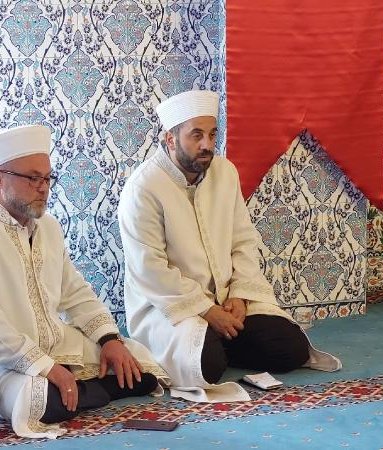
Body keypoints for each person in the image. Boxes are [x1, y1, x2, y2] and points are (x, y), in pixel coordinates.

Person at [0, 125, 168, 438]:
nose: (43, 188)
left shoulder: (47, 227)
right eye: (32, 178)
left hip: (54, 345)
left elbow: (75, 291)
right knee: (41, 400)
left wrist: (109, 339)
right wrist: (45, 367)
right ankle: (78, 389)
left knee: (140, 369)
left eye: (47, 178)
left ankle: (79, 389)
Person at [118, 90, 341, 402]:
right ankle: (215, 343)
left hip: (226, 301)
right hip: (172, 308)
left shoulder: (224, 173)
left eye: (212, 134)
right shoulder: (143, 188)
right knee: (206, 366)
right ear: (170, 139)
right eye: (196, 135)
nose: (207, 145)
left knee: (291, 349)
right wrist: (206, 310)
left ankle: (221, 339)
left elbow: (243, 240)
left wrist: (239, 296)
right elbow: (150, 270)